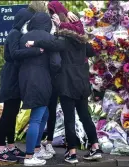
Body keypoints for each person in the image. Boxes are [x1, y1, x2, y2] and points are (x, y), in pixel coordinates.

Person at [25, 13, 102, 164]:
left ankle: (72, 153)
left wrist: (34, 42)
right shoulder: (82, 41)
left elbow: (51, 44)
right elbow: (92, 52)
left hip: (67, 84)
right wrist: (81, 31)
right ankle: (95, 146)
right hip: (82, 84)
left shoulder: (63, 39)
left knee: (69, 119)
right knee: (85, 116)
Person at [0, 8, 43, 163]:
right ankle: (1, 149)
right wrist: (36, 51)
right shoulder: (15, 34)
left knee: (13, 112)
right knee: (8, 114)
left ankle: (11, 146)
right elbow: (15, 53)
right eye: (28, 21)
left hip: (15, 77)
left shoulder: (17, 33)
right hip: (11, 77)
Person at [15, 12, 61, 166]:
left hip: (25, 79)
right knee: (36, 117)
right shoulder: (49, 38)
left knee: (44, 113)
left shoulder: (23, 38)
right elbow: (56, 63)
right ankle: (30, 156)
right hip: (42, 80)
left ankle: (35, 149)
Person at [42, 0, 81, 156]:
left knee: (57, 110)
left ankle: (53, 143)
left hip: (59, 74)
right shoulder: (52, 24)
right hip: (61, 75)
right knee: (53, 109)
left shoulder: (63, 27)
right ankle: (52, 143)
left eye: (51, 11)